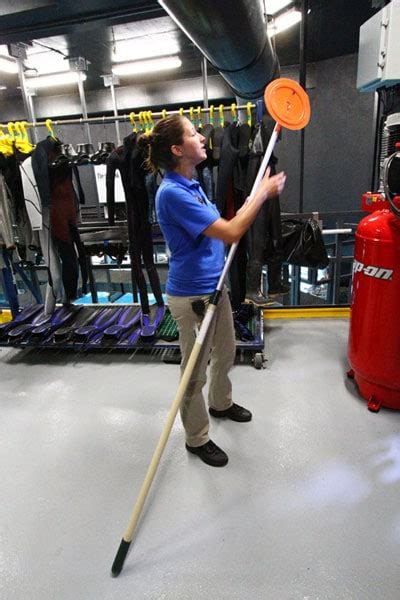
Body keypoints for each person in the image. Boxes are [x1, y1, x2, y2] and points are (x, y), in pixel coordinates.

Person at [140, 114, 286, 467]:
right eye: (193, 133)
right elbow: (232, 231)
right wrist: (261, 196)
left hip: (214, 289)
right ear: (178, 149)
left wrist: (252, 199)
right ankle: (196, 437)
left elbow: (221, 227)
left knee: (227, 352)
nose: (202, 137)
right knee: (194, 373)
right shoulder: (172, 193)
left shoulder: (192, 184)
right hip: (191, 298)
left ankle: (221, 403)